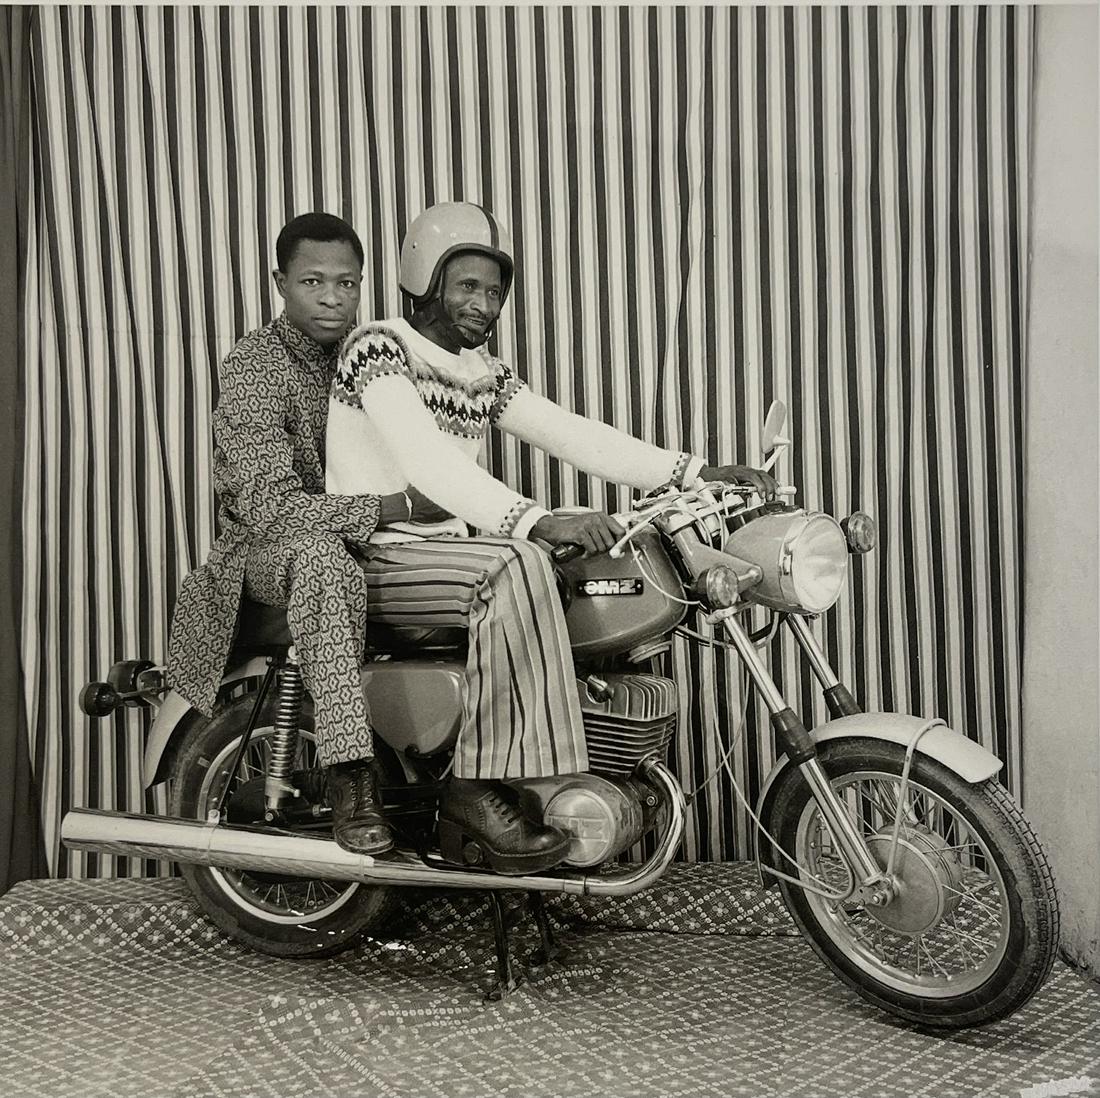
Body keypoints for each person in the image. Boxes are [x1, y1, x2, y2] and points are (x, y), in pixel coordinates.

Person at [326, 201, 777, 874]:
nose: (484, 302)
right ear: (425, 277)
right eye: (467, 285)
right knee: (516, 565)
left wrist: (693, 470)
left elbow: (571, 432)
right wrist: (536, 521)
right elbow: (426, 461)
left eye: (494, 289)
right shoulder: (378, 348)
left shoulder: (481, 371)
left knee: (575, 564)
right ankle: (476, 792)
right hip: (380, 554)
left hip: (442, 556)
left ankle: (568, 782)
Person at [167, 212, 444, 858]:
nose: (331, 298)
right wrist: (397, 506)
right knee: (321, 560)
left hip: (359, 544)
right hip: (259, 557)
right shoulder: (257, 367)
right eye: (313, 281)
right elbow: (270, 507)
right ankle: (351, 779)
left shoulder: (372, 357)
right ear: (280, 283)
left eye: (347, 284)